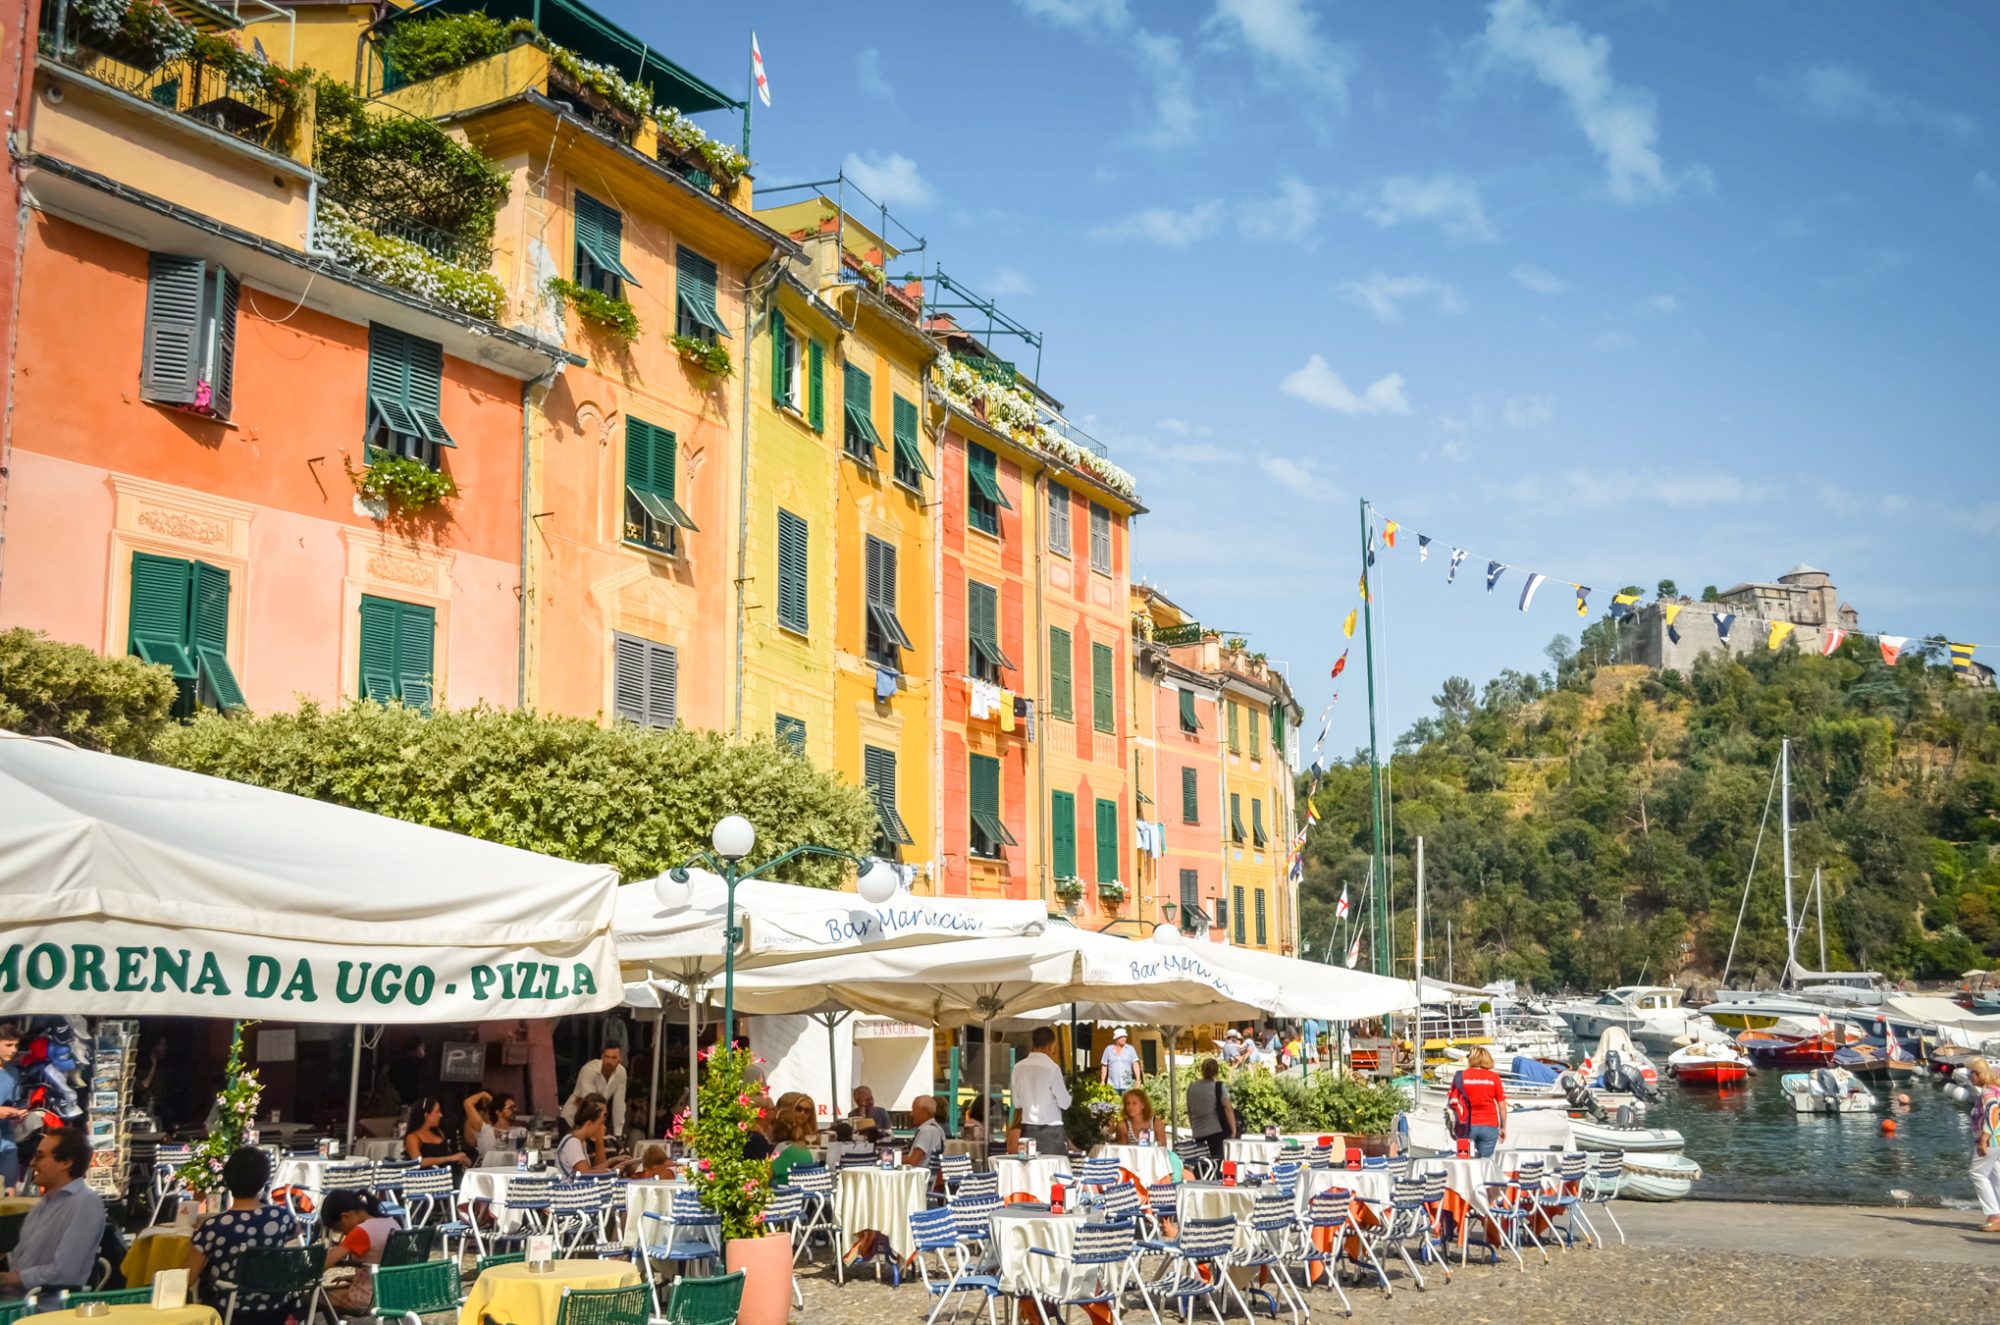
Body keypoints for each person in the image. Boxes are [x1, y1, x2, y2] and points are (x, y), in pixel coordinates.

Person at [185, 1147, 300, 1325]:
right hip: (277, 1310)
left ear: (228, 1180)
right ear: (263, 1181)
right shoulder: (283, 1218)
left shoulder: (214, 1227)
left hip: (229, 1312)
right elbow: (296, 1236)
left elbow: (187, 1278)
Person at [0, 1127, 105, 1295]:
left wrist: (8, 1279)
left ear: (66, 1163)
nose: (32, 1163)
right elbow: (20, 1260)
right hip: (16, 1300)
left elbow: (64, 1273)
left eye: (40, 1156)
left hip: (43, 1306)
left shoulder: (85, 1202)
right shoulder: (43, 1204)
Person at [321, 1190, 397, 1314]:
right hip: (390, 1293)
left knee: (311, 1298)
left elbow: (323, 1264)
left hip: (367, 1298)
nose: (344, 1234)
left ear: (345, 1216)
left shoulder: (361, 1231)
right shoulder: (391, 1222)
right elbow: (383, 1263)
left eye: (340, 1229)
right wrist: (354, 1278)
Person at [1009, 1027, 1071, 1156]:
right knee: (1052, 1166)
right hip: (1051, 1132)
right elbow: (1065, 1103)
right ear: (1050, 1045)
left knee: (1029, 1166)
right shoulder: (1052, 1068)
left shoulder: (1017, 1068)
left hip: (1027, 1130)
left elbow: (1017, 1103)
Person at [1448, 1047, 1508, 1158]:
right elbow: (1502, 1106)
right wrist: (1503, 1127)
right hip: (1489, 1125)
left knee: (1465, 1161)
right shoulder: (1494, 1077)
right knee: (1485, 1162)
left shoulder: (1460, 1076)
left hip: (1466, 1126)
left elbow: (1453, 1102)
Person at [562, 1047, 627, 1139]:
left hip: (594, 1123)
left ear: (620, 1059)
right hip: (572, 1119)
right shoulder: (589, 1069)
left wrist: (618, 1133)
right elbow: (590, 1101)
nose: (609, 1061)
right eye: (607, 1057)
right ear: (602, 1057)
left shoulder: (621, 1073)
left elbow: (619, 1103)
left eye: (613, 1058)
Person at [1969, 1058, 2000, 1232]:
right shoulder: (1996, 1089)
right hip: (1998, 1139)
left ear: (1979, 1074)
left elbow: (1993, 1110)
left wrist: (1984, 1137)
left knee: (1977, 1173)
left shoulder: (1988, 1092)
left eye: (1971, 1073)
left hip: (1991, 1140)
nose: (1969, 1076)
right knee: (1996, 1174)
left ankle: (1995, 1215)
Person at [1185, 1058, 1236, 1164]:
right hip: (1215, 1132)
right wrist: (1233, 1130)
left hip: (1198, 1133)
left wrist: (1194, 1127)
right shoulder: (1218, 1087)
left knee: (1202, 1165)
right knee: (1216, 1164)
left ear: (1202, 1070)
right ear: (1217, 1071)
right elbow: (1228, 1109)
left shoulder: (1192, 1087)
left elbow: (1190, 1111)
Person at [402, 1098, 470, 1171]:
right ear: (427, 1115)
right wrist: (450, 1158)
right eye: (437, 1111)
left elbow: (448, 1155)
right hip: (429, 1175)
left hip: (449, 1172)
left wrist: (460, 1159)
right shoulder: (412, 1137)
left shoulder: (438, 1132)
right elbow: (419, 1162)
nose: (440, 1115)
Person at [556, 1097, 619, 1177]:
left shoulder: (581, 1141)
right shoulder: (573, 1142)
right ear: (589, 1123)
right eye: (600, 1124)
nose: (603, 1128)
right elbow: (585, 1174)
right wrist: (612, 1171)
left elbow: (589, 1170)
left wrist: (612, 1161)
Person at [461, 1089, 517, 1165]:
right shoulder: (485, 1130)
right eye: (511, 1107)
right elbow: (467, 1103)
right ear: (498, 1112)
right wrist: (483, 1094)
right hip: (489, 1170)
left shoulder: (519, 1131)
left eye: (515, 1107)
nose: (515, 1110)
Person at [0, 1025, 24, 1193]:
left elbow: (13, 1103)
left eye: (16, 1045)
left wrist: (18, 1114)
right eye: (8, 1045)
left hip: (7, 1141)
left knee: (9, 1192)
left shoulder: (14, 1073)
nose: (14, 1050)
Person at [905, 1095, 946, 1177]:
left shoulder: (926, 1131)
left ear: (924, 1112)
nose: (911, 1114)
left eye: (914, 1110)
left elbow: (913, 1161)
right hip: (931, 1177)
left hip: (919, 1178)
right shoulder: (939, 1129)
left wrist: (892, 1158)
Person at [744, 1093, 776, 1162]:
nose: (776, 1111)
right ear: (763, 1112)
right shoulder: (756, 1138)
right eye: (773, 1108)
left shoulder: (760, 1134)